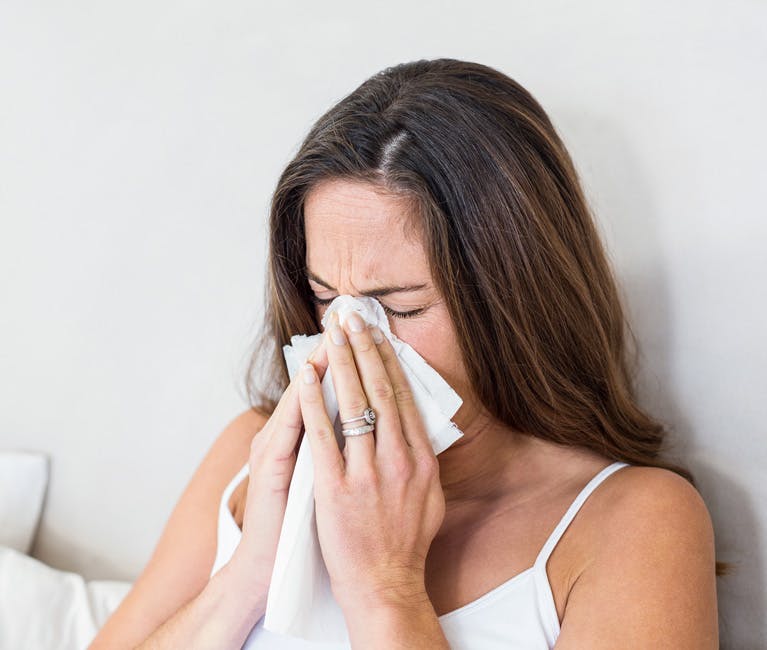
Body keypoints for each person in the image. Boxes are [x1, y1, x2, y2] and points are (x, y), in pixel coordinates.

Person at [90, 58, 722, 649]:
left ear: (516, 299)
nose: (351, 338)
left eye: (402, 308)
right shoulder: (251, 456)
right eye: (323, 296)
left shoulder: (634, 521)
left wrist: (385, 590)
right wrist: (246, 578)